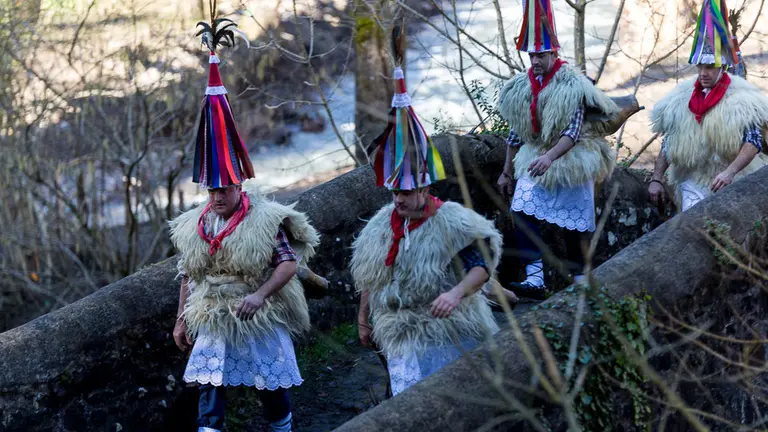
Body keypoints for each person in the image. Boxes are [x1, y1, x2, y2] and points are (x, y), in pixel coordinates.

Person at [169, 16, 319, 432]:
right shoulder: (194, 225)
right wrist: (181, 318)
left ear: (239, 184)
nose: (217, 196)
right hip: (211, 309)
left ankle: (281, 426)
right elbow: (188, 274)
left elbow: (287, 263)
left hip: (256, 308)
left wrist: (259, 296)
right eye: (212, 190)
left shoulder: (263, 219)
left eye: (224, 189)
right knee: (210, 383)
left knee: (269, 384)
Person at [352, 26, 508, 396]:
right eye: (395, 192)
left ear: (424, 189)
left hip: (445, 326)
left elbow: (481, 265)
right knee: (407, 397)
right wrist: (363, 318)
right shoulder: (380, 226)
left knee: (453, 397)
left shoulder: (451, 221)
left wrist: (454, 295)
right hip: (399, 328)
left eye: (407, 192)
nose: (399, 199)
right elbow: (372, 277)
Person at [496, 0, 619, 298]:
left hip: (571, 157)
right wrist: (507, 171)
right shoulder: (522, 86)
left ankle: (580, 280)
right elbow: (516, 132)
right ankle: (535, 278)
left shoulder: (572, 85)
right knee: (522, 206)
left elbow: (572, 132)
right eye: (531, 55)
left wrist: (550, 158)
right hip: (536, 155)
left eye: (540, 54)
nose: (535, 60)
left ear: (553, 53)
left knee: (573, 223)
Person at [648, 0, 768, 212]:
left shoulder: (744, 100)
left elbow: (753, 141)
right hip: (692, 181)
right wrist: (656, 179)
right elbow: (669, 143)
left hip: (733, 180)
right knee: (692, 226)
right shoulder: (680, 99)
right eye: (700, 67)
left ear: (722, 67)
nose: (703, 73)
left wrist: (730, 172)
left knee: (727, 230)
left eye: (710, 67)